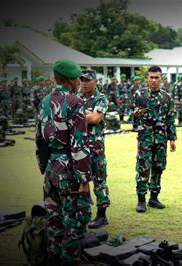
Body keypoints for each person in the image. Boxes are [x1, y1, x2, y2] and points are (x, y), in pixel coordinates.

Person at [36, 59, 91, 264]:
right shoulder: (75, 102)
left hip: (51, 166)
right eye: (77, 78)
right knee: (75, 222)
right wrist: (84, 179)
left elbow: (39, 139)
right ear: (70, 79)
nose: (79, 81)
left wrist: (44, 166)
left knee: (54, 220)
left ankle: (52, 259)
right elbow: (79, 143)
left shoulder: (44, 101)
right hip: (69, 169)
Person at [132, 65, 177, 212]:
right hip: (145, 138)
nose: (154, 80)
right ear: (147, 78)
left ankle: (154, 198)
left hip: (161, 139)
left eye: (156, 77)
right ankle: (141, 200)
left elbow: (170, 118)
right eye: (151, 77)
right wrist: (136, 115)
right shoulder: (139, 95)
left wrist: (172, 139)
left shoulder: (167, 97)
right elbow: (132, 116)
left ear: (161, 79)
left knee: (158, 168)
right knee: (143, 168)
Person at [79, 69, 111, 229]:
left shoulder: (101, 98)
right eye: (82, 80)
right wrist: (86, 114)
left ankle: (101, 215)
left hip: (95, 147)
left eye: (87, 80)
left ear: (95, 81)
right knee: (80, 180)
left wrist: (76, 116)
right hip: (78, 145)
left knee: (99, 180)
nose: (84, 83)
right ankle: (83, 214)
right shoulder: (76, 98)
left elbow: (95, 118)